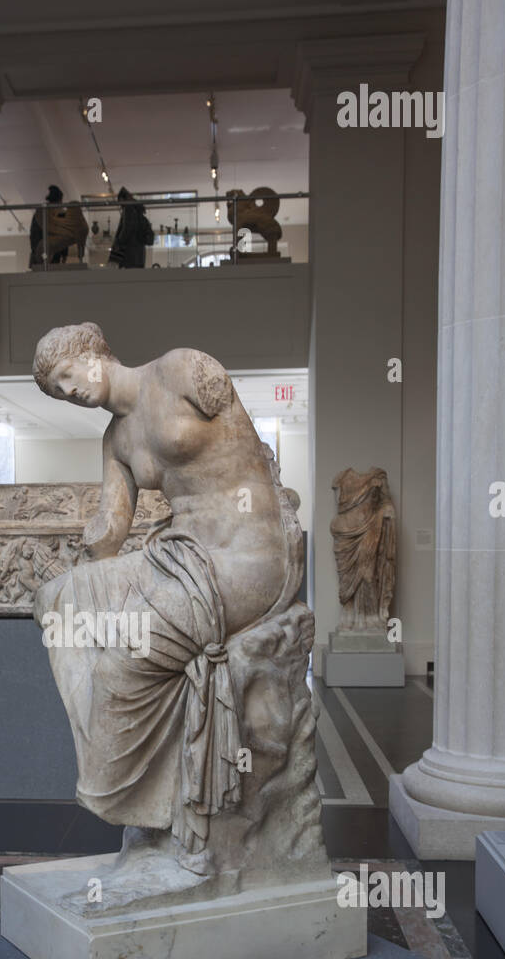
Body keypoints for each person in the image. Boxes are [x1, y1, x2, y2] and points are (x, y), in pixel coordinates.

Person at [31, 322, 303, 873]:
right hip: (181, 553)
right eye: (59, 393)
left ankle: (171, 809)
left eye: (66, 377)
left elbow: (255, 457)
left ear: (92, 354)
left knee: (125, 660)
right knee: (59, 600)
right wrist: (92, 583)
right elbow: (111, 529)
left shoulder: (183, 369)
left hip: (247, 555)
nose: (70, 392)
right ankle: (149, 800)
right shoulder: (116, 440)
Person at [108, 188, 154, 269]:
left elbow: (126, 230)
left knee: (128, 277)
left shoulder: (128, 209)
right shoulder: (138, 210)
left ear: (122, 199)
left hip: (130, 253)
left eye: (120, 201)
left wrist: (118, 242)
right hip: (139, 253)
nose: (120, 205)